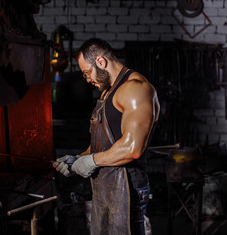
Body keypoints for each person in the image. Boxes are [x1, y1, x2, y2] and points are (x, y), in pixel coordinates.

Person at [53, 38, 160, 235]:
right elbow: (103, 145)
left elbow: (132, 149)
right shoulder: (108, 93)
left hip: (128, 189)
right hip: (107, 187)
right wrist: (77, 159)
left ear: (101, 62)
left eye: (87, 72)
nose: (86, 79)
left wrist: (91, 161)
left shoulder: (135, 89)